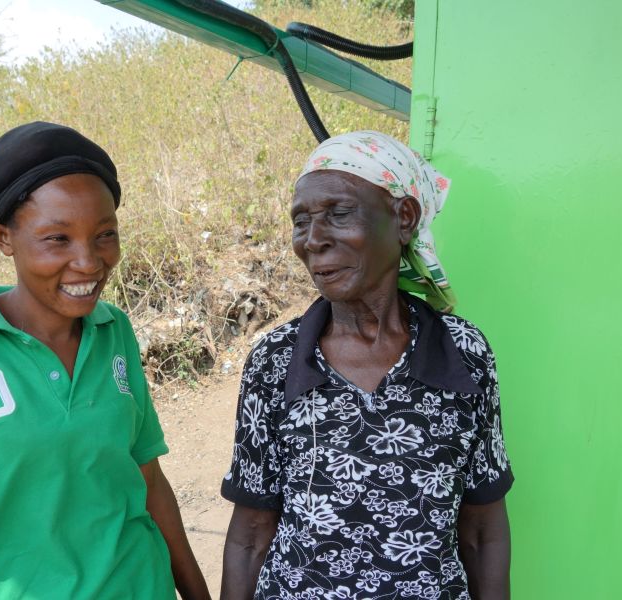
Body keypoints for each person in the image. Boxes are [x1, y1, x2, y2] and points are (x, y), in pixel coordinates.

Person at [0, 121, 211, 600]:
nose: (89, 261)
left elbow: (146, 477)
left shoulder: (113, 330)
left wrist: (197, 593)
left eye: (105, 234)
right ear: (3, 238)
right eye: (58, 239)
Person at [220, 131, 513, 600]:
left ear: (404, 218)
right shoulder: (276, 361)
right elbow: (252, 532)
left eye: (338, 214)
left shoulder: (464, 353)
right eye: (301, 221)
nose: (313, 241)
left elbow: (482, 529)